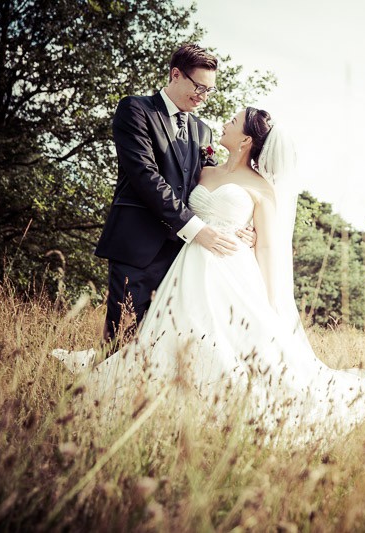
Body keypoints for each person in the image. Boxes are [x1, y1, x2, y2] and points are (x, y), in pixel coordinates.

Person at [58, 106, 365, 449]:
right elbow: (175, 205)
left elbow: (267, 245)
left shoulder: (263, 187)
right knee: (172, 333)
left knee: (222, 340)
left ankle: (220, 403)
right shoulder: (202, 168)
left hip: (231, 271)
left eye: (234, 121)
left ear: (247, 139)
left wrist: (270, 298)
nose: (225, 123)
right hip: (188, 264)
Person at [94, 43, 253, 346]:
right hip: (137, 247)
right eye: (199, 87)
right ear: (176, 74)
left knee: (165, 346)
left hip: (184, 259)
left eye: (209, 91)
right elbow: (145, 176)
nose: (203, 97)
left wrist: (245, 229)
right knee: (122, 343)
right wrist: (196, 230)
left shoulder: (202, 131)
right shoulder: (135, 109)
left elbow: (209, 186)